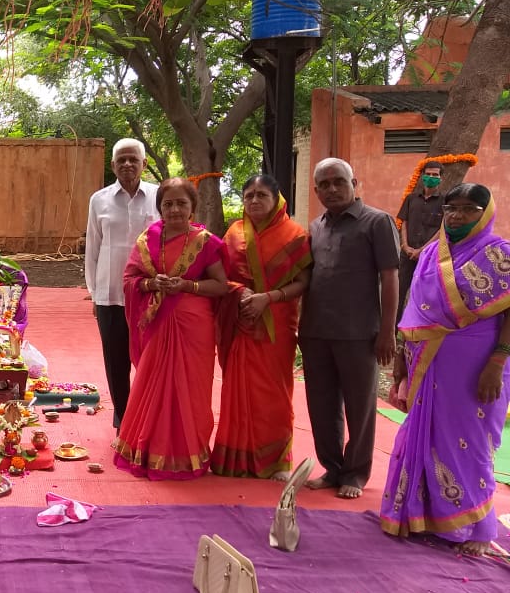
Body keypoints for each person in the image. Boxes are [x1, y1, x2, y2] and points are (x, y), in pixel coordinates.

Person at [382, 183, 510, 556]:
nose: (455, 216)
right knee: (423, 435)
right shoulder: (431, 254)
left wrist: (498, 361)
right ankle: (421, 515)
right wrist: (402, 369)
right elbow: (413, 311)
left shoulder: (500, 255)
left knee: (470, 443)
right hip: (427, 362)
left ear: (485, 213)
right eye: (451, 208)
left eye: (468, 209)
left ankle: (477, 528)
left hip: (476, 366)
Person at [113, 178, 228, 480]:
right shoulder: (147, 240)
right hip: (158, 324)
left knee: (190, 391)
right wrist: (152, 283)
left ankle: (187, 454)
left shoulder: (207, 242)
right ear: (160, 207)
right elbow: (129, 280)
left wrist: (186, 285)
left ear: (192, 208)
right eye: (168, 203)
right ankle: (149, 451)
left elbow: (220, 285)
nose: (175, 209)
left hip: (193, 328)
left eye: (181, 203)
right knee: (153, 384)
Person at [299, 158, 399, 499]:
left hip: (359, 332)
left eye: (338, 181)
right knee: (321, 405)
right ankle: (332, 467)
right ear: (315, 191)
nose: (332, 189)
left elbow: (390, 277)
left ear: (354, 182)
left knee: (361, 406)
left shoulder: (377, 222)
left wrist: (388, 332)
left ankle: (355, 474)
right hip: (315, 331)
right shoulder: (315, 227)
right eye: (324, 185)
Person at [213, 175, 312, 480]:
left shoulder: (295, 235)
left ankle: (276, 461)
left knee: (274, 392)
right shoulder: (233, 233)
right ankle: (235, 458)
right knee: (237, 389)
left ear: (277, 199)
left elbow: (304, 282)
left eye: (262, 195)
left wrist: (267, 299)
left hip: (277, 323)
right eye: (249, 195)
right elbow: (219, 277)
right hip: (240, 318)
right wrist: (238, 291)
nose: (254, 201)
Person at [84, 138, 159, 429]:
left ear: (144, 163)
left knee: (149, 359)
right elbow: (93, 248)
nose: (128, 164)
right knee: (116, 362)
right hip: (110, 294)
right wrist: (94, 293)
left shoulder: (159, 197)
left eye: (133, 159)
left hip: (149, 294)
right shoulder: (99, 200)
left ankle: (149, 417)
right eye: (122, 160)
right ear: (113, 165)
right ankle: (123, 420)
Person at [396, 161, 444, 313]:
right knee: (399, 291)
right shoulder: (411, 199)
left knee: (423, 295)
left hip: (429, 257)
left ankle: (416, 332)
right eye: (428, 174)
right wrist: (405, 246)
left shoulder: (445, 201)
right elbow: (404, 222)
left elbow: (442, 229)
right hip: (407, 255)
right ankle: (393, 330)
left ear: (441, 178)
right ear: (423, 176)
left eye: (435, 175)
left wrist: (422, 250)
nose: (431, 177)